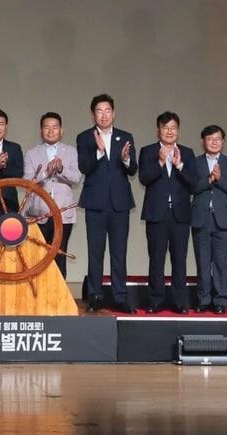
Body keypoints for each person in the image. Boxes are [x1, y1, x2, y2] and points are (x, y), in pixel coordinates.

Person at [76, 93, 137, 312]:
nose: (103, 115)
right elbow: (84, 167)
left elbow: (133, 169)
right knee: (95, 252)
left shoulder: (125, 136)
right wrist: (99, 152)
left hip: (120, 203)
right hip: (95, 203)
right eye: (99, 111)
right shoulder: (85, 137)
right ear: (93, 114)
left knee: (119, 253)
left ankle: (120, 296)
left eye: (107, 111)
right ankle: (95, 296)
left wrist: (126, 159)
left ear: (114, 112)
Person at [138, 111, 194, 314]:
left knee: (179, 260)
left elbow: (194, 183)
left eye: (173, 128)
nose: (169, 131)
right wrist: (160, 162)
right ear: (158, 130)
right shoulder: (148, 151)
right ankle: (155, 300)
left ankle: (180, 301)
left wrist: (179, 165)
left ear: (178, 130)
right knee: (156, 259)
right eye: (165, 127)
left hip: (180, 215)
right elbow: (144, 178)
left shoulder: (187, 153)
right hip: (156, 214)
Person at [189, 124, 227, 313]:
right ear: (203, 141)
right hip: (201, 218)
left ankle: (221, 301)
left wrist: (220, 179)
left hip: (224, 220)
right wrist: (209, 180)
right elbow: (191, 187)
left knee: (222, 263)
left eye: (217, 139)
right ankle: (203, 299)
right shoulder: (195, 162)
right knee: (203, 262)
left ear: (223, 141)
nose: (214, 142)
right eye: (209, 139)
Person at [23, 112, 83, 277]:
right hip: (38, 213)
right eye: (46, 127)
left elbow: (76, 178)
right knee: (38, 257)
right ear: (41, 131)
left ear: (61, 130)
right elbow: (27, 182)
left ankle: (59, 292)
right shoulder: (32, 153)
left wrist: (61, 169)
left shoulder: (71, 151)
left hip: (63, 214)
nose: (51, 131)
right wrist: (46, 173)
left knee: (60, 255)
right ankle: (38, 292)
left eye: (55, 127)